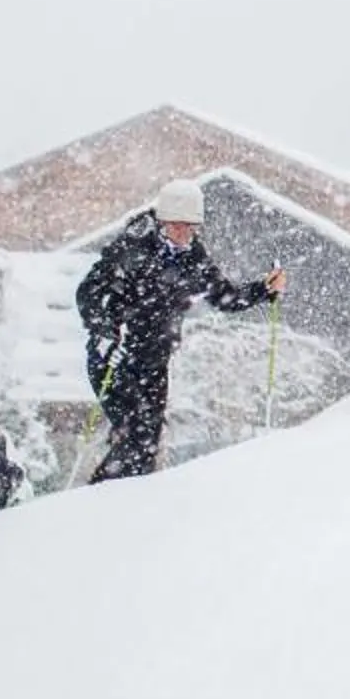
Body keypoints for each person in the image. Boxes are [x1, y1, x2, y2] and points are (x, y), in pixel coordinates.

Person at [76, 179, 286, 483]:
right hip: (115, 359)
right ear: (161, 222)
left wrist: (264, 289)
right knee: (135, 436)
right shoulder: (134, 247)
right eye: (176, 227)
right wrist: (105, 331)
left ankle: (125, 499)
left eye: (190, 227)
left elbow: (223, 297)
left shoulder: (193, 258)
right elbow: (89, 293)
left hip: (155, 361)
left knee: (147, 443)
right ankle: (104, 494)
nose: (183, 234)